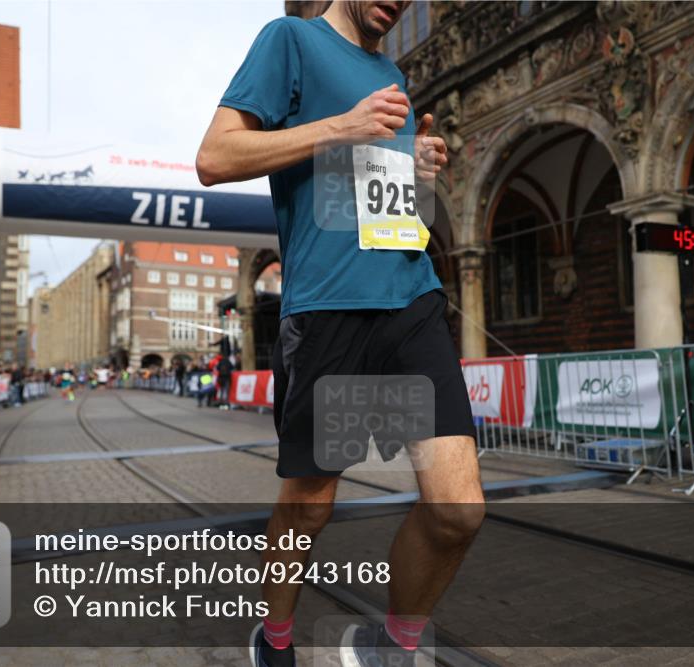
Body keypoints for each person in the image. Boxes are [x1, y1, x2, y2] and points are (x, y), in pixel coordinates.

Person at [197, 3, 484, 667]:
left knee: (459, 509)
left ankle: (392, 646)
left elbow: (382, 205)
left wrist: (416, 174)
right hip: (328, 310)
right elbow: (214, 157)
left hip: (411, 300)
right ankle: (274, 637)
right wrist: (343, 127)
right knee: (309, 506)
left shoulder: (393, 74)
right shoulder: (290, 40)